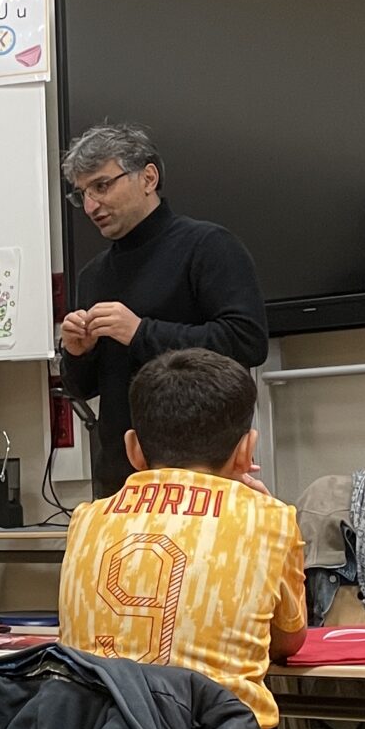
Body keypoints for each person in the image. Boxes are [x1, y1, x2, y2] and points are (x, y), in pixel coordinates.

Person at [57, 351, 365, 729]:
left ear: (133, 448)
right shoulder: (269, 519)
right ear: (246, 450)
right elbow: (289, 641)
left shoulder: (84, 519)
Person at [55, 123, 269, 499]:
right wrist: (77, 352)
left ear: (148, 178)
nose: (90, 206)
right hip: (121, 481)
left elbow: (247, 342)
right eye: (82, 194)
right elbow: (84, 388)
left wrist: (141, 332)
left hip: (206, 475)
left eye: (102, 186)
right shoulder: (93, 275)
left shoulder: (209, 246)